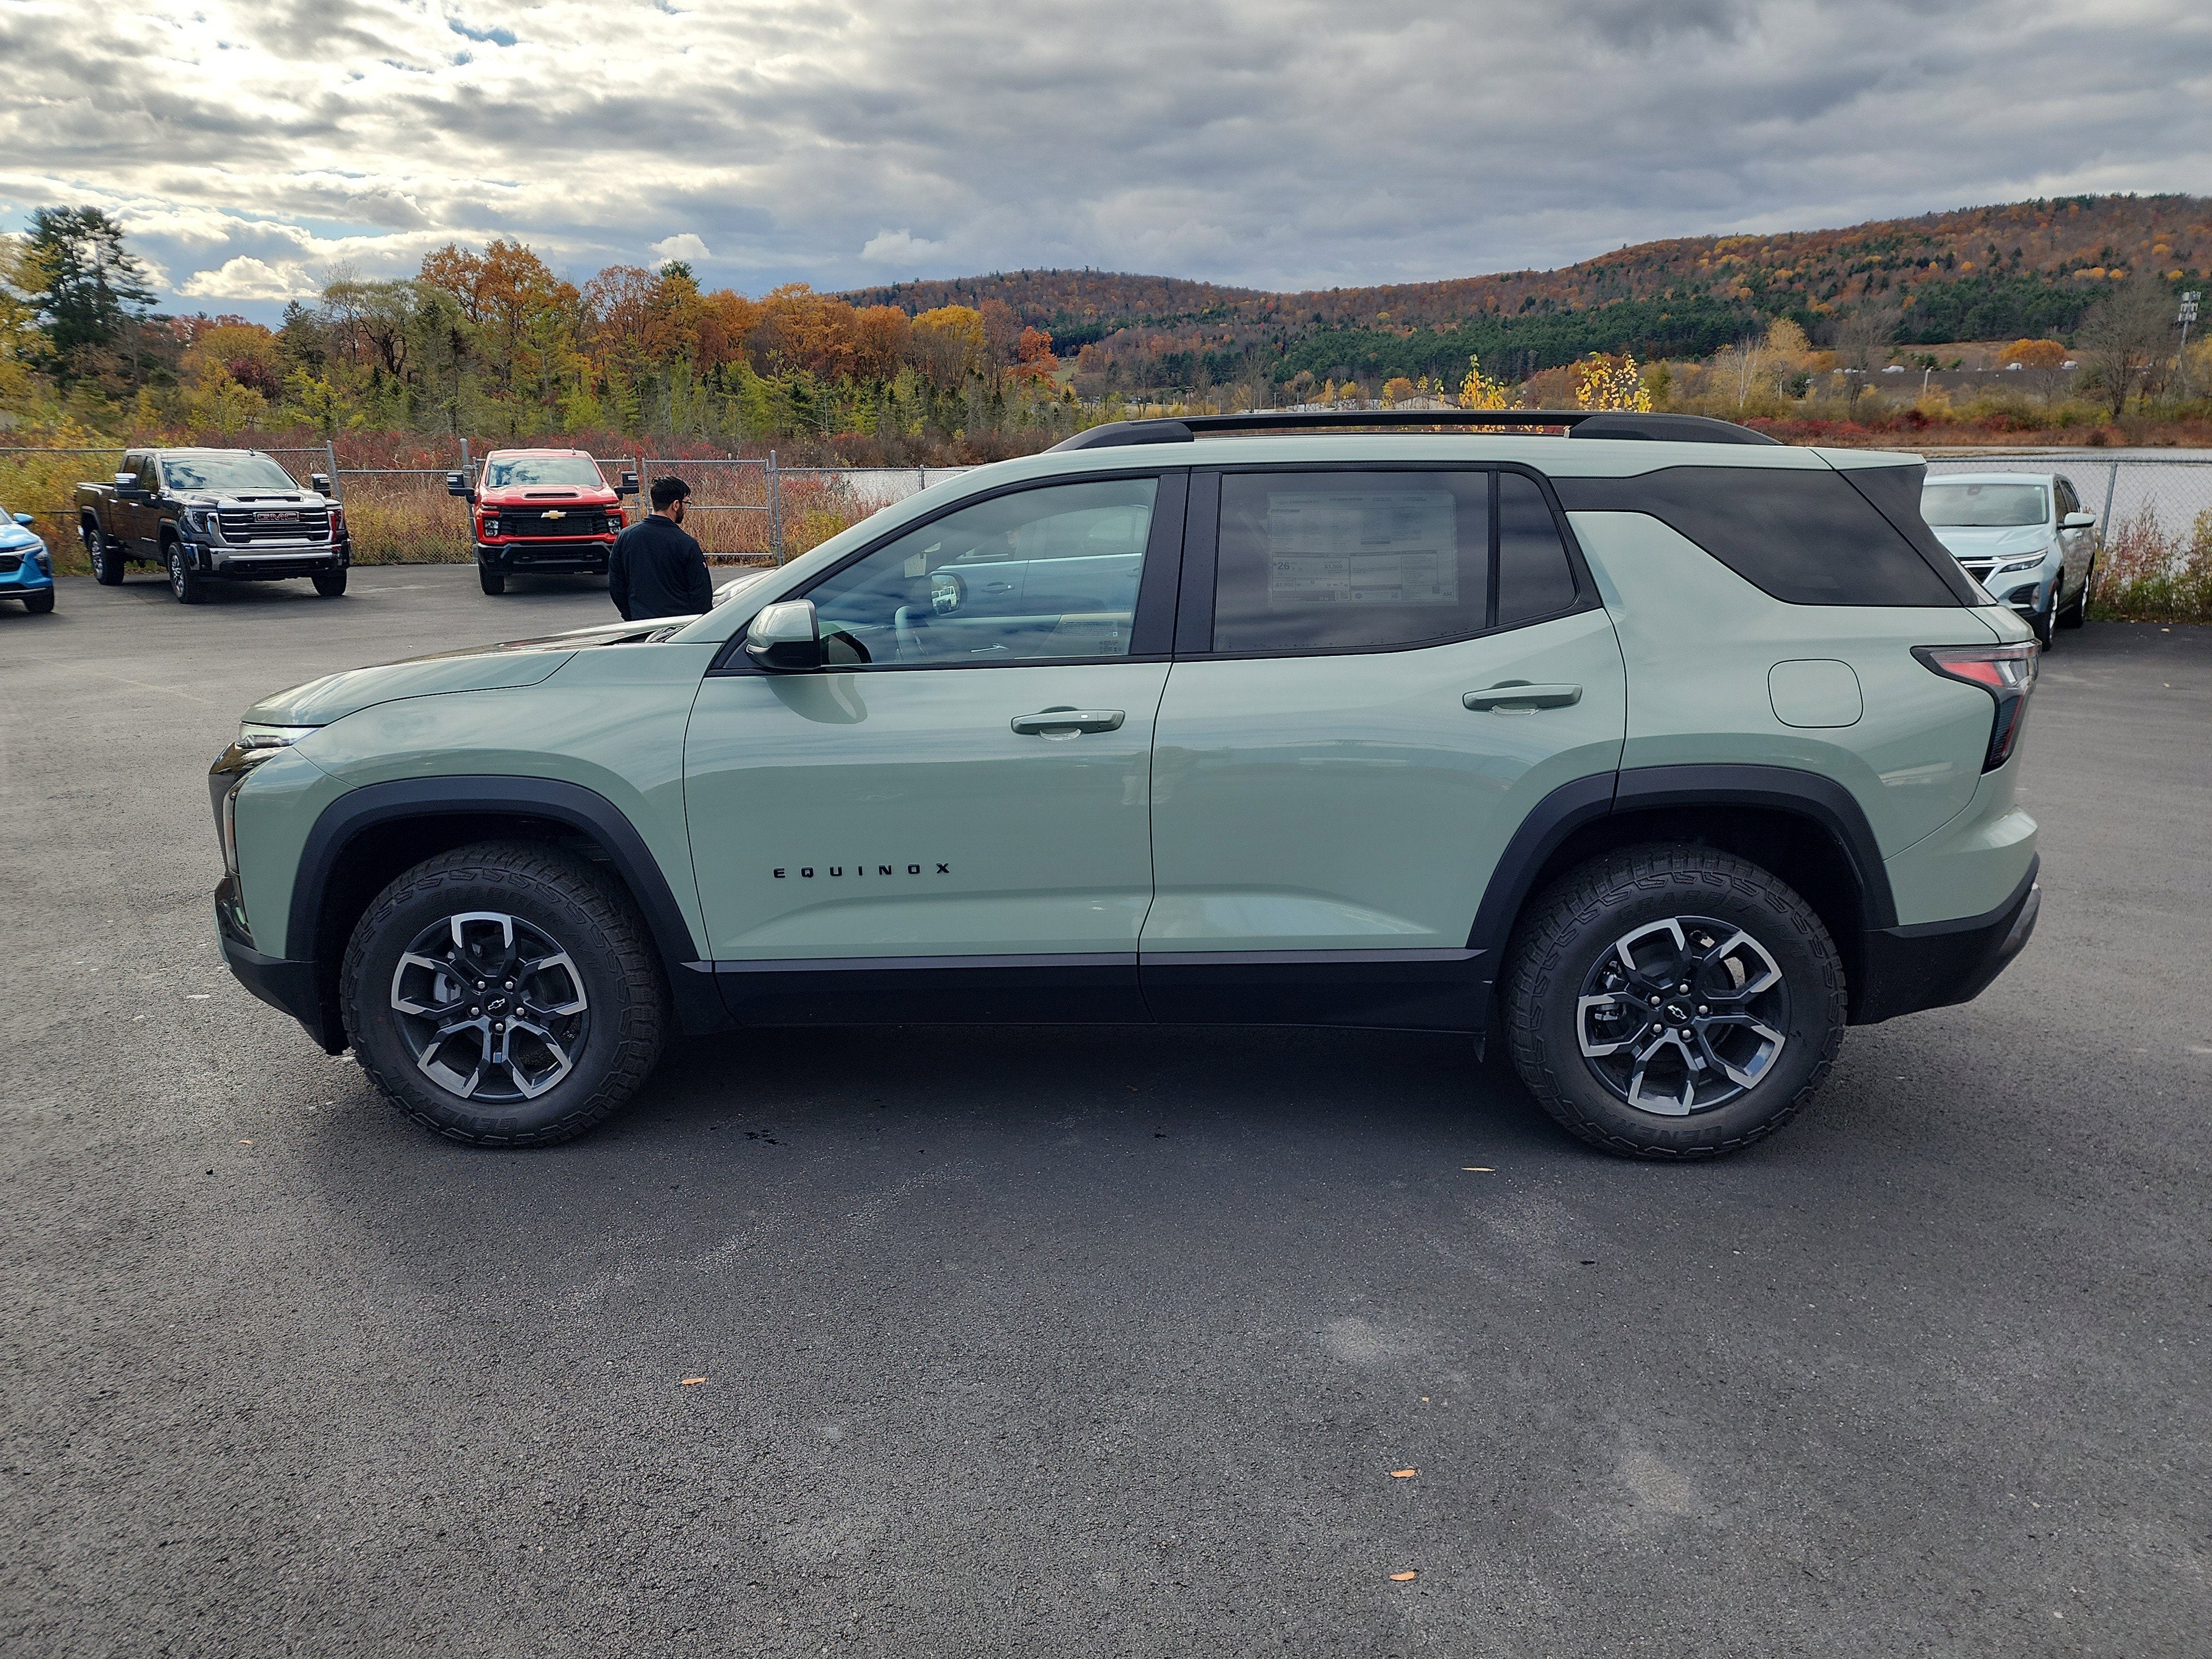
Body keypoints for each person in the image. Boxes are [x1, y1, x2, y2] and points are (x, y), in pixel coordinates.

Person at [609, 475, 712, 620]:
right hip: (680, 628)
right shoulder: (686, 544)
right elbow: (701, 594)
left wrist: (630, 615)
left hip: (640, 624)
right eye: (686, 503)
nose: (686, 508)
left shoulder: (626, 537)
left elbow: (616, 584)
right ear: (676, 505)